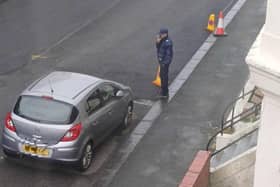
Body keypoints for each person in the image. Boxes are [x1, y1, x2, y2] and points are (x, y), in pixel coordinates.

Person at [156, 28, 173, 98]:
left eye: (162, 34)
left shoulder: (167, 42)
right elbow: (158, 48)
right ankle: (164, 90)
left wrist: (164, 63)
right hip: (162, 62)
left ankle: (164, 93)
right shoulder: (162, 40)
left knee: (164, 77)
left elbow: (168, 55)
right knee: (162, 76)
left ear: (165, 34)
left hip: (164, 63)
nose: (160, 35)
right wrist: (157, 42)